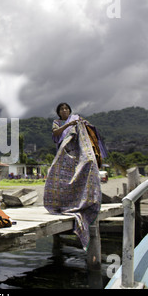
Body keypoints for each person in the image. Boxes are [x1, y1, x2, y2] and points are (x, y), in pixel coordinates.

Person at [44, 102, 107, 250]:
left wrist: (82, 124)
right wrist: (68, 125)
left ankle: (82, 201)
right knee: (62, 178)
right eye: (62, 109)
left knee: (83, 171)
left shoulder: (77, 118)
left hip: (76, 152)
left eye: (66, 108)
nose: (64, 110)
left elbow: (90, 130)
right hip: (64, 152)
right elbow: (56, 133)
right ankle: (61, 203)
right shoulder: (57, 122)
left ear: (70, 110)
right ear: (59, 112)